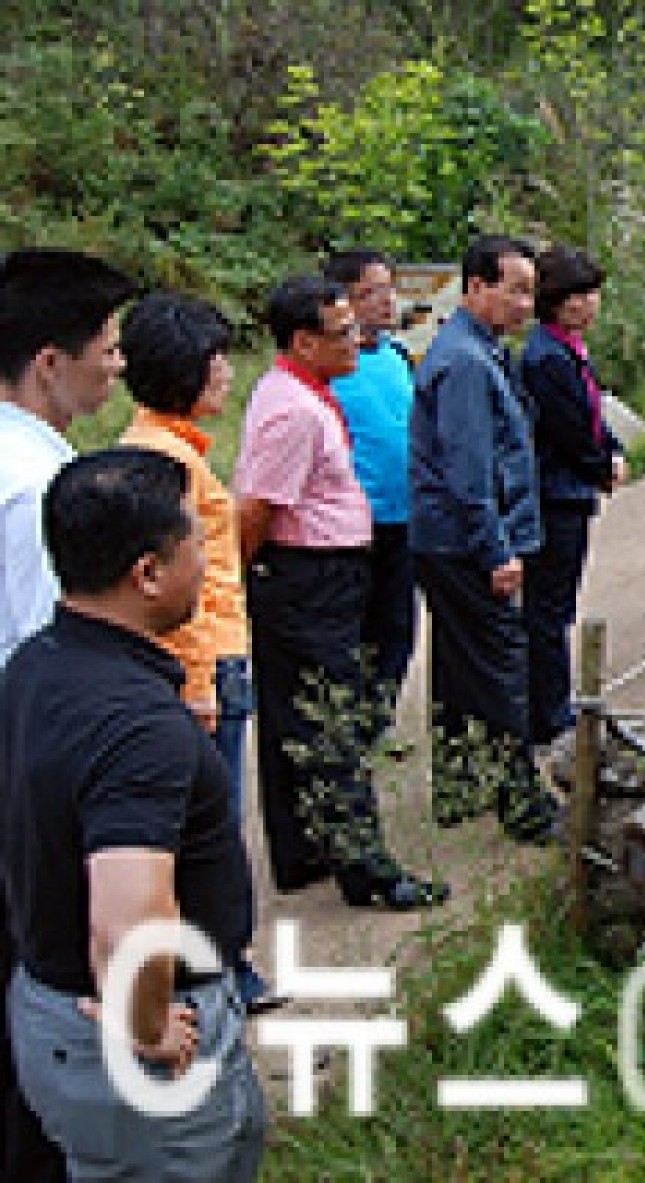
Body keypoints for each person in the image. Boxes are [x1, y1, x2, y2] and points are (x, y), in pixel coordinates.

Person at [0, 447, 266, 1181]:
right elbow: (125, 925)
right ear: (147, 573)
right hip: (134, 1049)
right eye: (197, 546)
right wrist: (146, 1024)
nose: (209, 564)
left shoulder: (35, 665)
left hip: (53, 1007)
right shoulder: (136, 726)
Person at [234, 276, 446, 909]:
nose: (358, 341)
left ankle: (307, 850)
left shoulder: (307, 393)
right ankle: (366, 869)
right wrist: (263, 577)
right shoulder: (292, 410)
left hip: (322, 572)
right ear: (303, 341)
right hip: (306, 577)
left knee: (299, 719)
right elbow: (257, 510)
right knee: (332, 719)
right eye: (343, 332)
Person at [0, 247, 133, 1183]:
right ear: (52, 358)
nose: (118, 365)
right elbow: (49, 661)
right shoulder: (34, 491)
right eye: (110, 346)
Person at [118, 291, 282, 1014]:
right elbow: (166, 583)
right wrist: (196, 682)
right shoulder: (161, 461)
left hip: (219, 656)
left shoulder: (177, 449)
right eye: (215, 361)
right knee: (207, 829)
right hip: (203, 667)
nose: (225, 374)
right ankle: (216, 968)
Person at [411, 234, 562, 844]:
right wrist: (496, 549)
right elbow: (467, 470)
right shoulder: (466, 363)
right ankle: (521, 800)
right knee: (501, 663)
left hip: (451, 538)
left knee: (457, 660)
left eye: (531, 292)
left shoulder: (479, 351)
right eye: (515, 289)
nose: (525, 304)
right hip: (463, 541)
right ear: (477, 286)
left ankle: (457, 782)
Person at [520, 246, 627, 780]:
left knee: (557, 602)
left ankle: (550, 705)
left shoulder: (568, 351)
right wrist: (600, 465)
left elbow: (591, 414)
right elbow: (566, 429)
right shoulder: (545, 357)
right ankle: (549, 711)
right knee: (549, 608)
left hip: (571, 489)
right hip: (555, 494)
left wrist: (610, 449)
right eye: (575, 297)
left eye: (591, 294)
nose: (587, 305)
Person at [323, 250, 418, 725]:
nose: (385, 302)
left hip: (404, 518)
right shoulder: (334, 369)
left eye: (389, 289)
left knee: (398, 629)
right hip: (354, 527)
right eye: (371, 292)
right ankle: (351, 730)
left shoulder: (398, 357)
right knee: (357, 634)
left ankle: (377, 723)